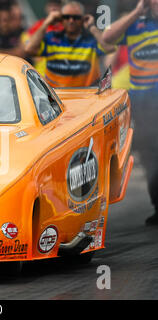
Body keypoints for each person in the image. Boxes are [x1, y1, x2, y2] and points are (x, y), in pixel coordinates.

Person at [102, 0, 158, 225]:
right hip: (144, 103)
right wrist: (136, 12)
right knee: (151, 156)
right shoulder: (136, 23)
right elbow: (107, 38)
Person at [25, 1, 116, 87]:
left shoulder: (91, 40)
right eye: (67, 17)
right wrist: (47, 22)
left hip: (86, 96)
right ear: (61, 19)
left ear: (83, 19)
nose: (71, 20)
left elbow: (110, 48)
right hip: (55, 96)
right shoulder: (51, 38)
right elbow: (29, 49)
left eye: (76, 17)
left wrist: (92, 27)